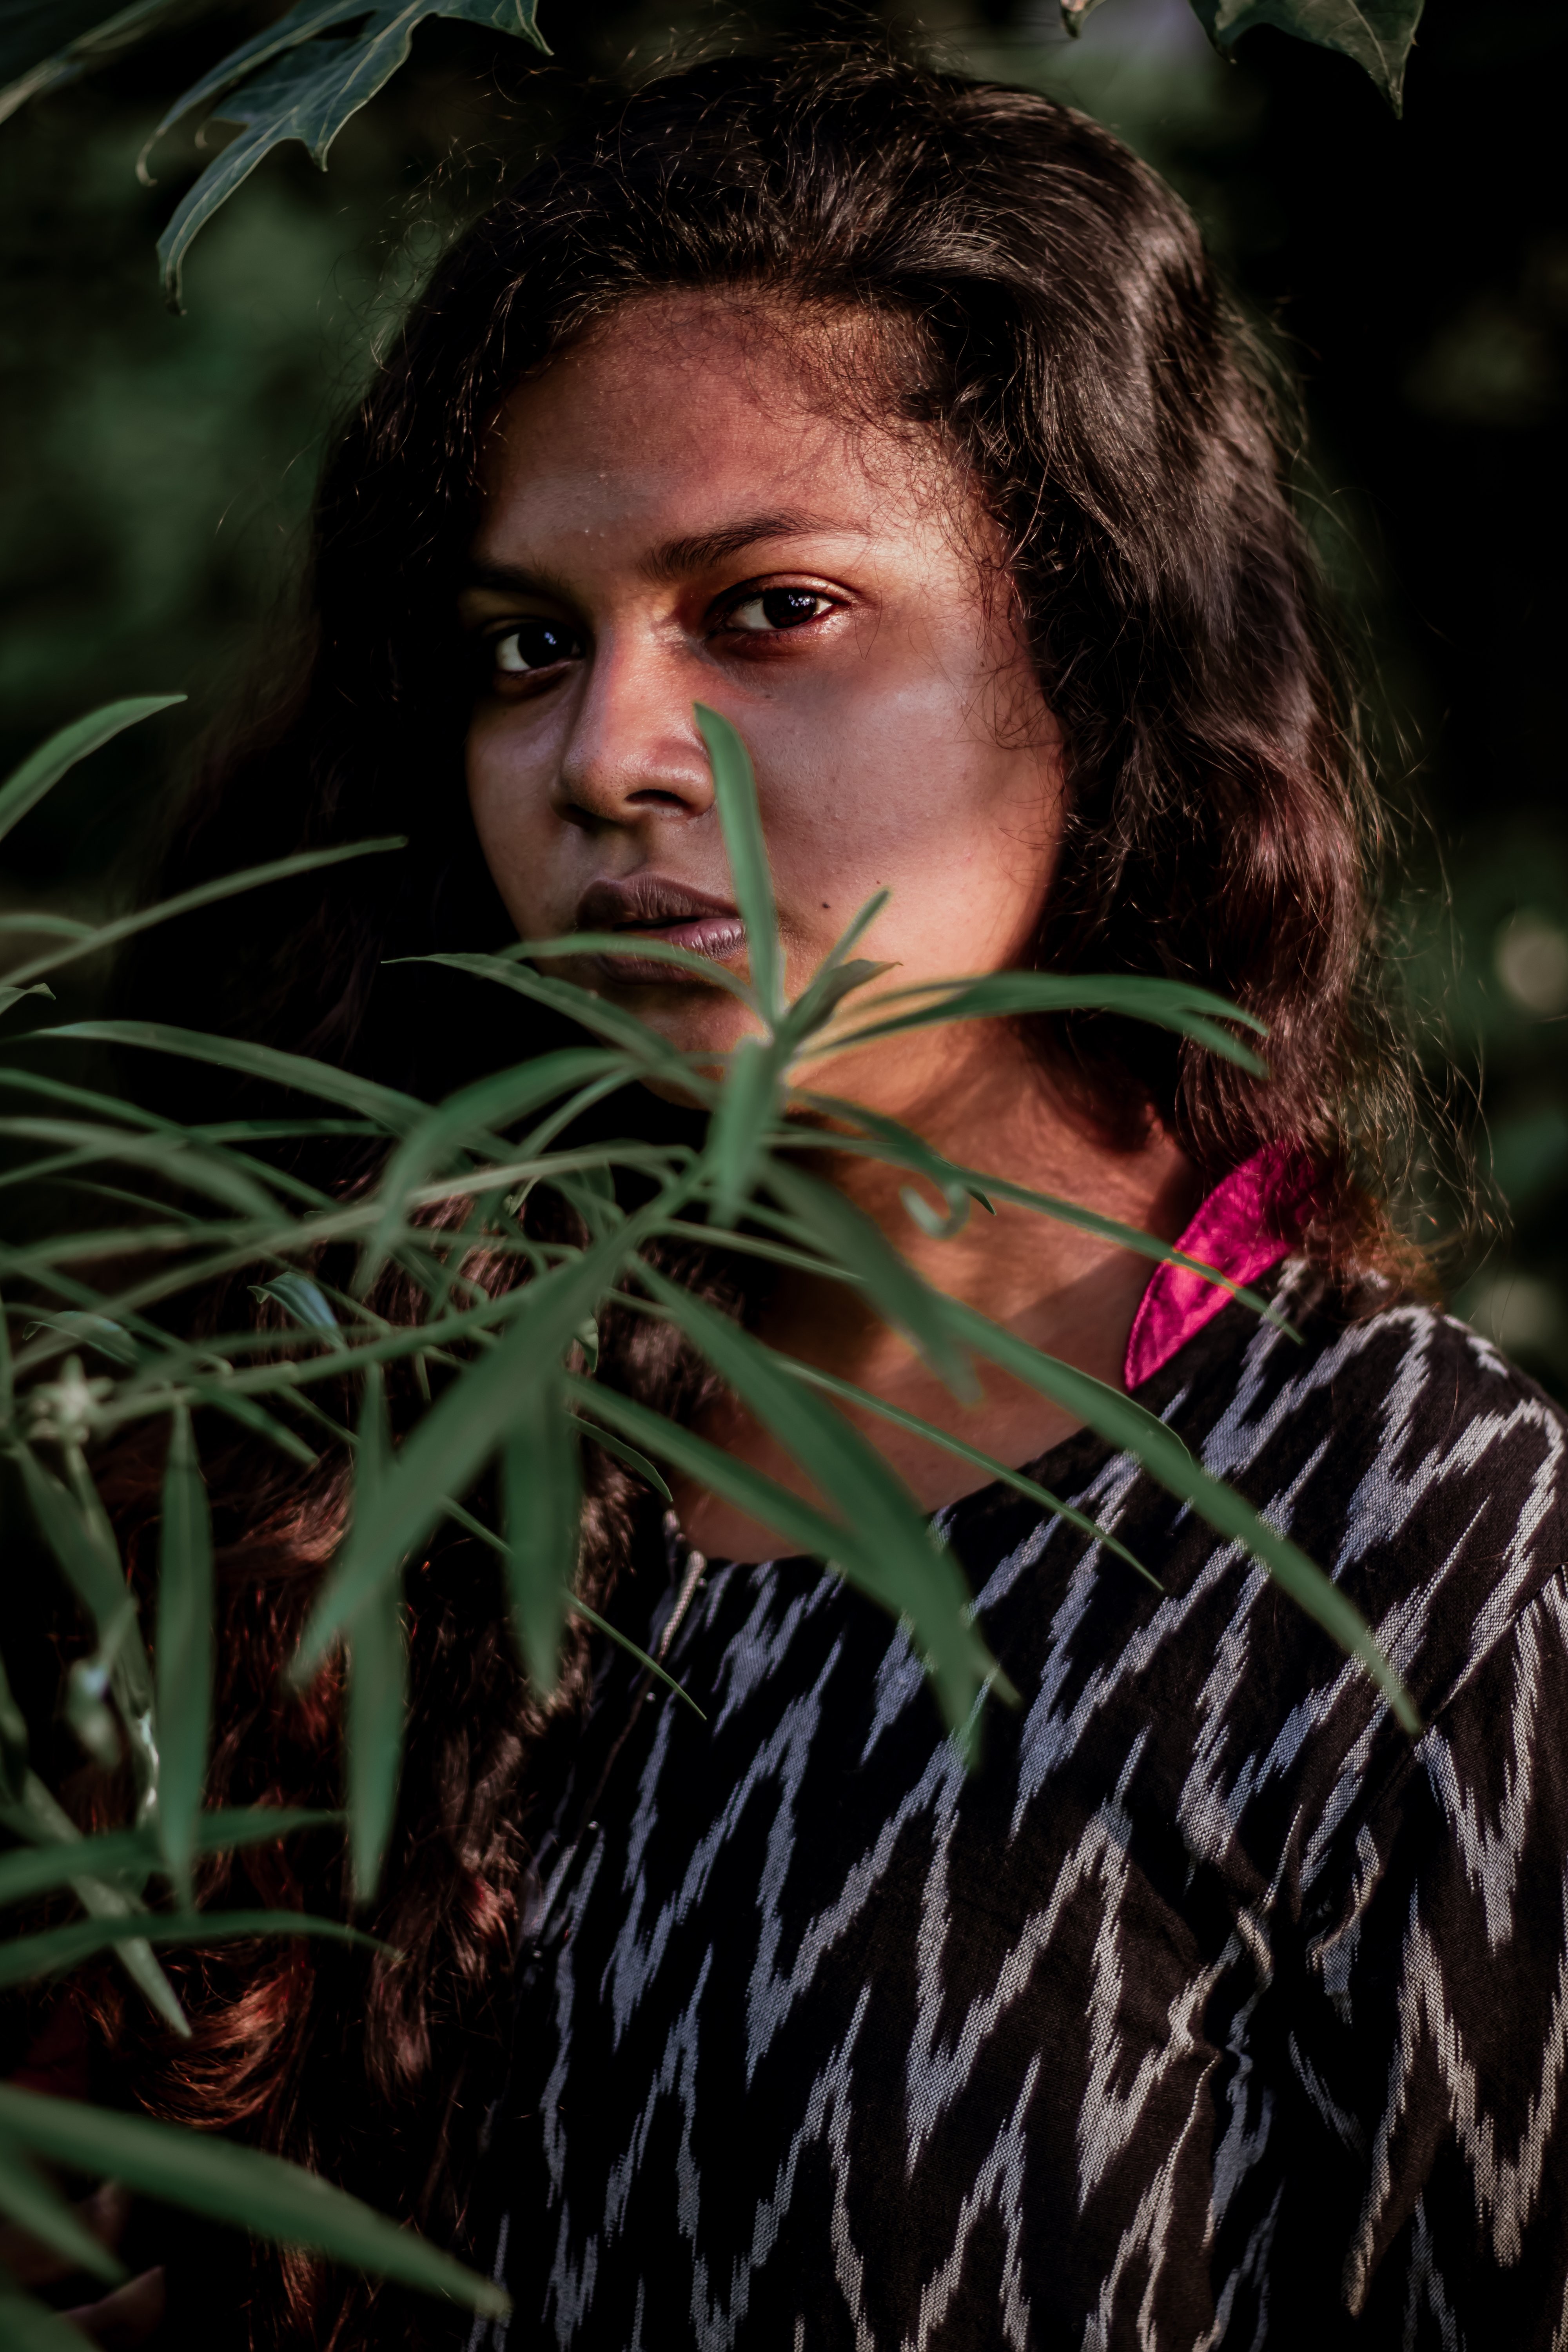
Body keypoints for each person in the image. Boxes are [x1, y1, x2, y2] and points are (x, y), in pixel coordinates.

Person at [61, 38, 1568, 2351]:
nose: (606, 756)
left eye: (769, 608)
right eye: (524, 646)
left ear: (1100, 661)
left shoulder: (1411, 1540)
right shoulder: (362, 1473)